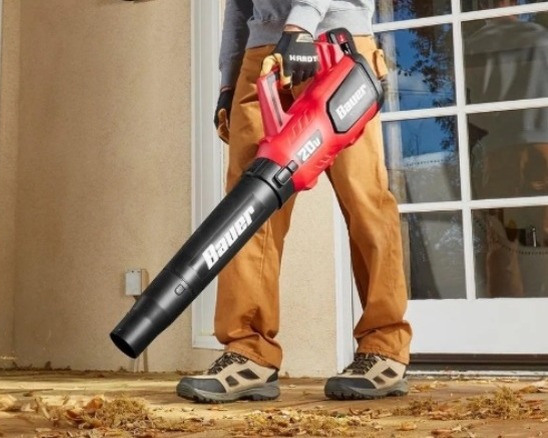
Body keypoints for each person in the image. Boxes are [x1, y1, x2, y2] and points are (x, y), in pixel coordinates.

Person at [175, 0, 413, 403]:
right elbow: (238, 6)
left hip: (335, 43)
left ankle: (384, 346)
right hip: (263, 54)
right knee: (247, 209)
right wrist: (228, 80)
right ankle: (248, 353)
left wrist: (301, 23)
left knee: (364, 199)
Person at [465, 0, 548, 298]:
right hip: (544, 145)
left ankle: (507, 319)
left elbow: (474, 112)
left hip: (500, 150)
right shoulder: (541, 37)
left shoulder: (473, 46)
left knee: (502, 243)